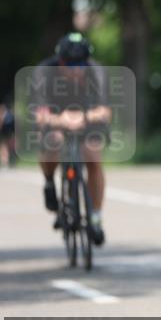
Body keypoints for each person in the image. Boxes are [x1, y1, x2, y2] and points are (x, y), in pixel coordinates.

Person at [34, 32, 110, 245]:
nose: (76, 71)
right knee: (53, 141)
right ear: (60, 62)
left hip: (86, 117)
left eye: (81, 65)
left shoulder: (96, 71)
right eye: (70, 65)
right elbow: (40, 115)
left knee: (93, 155)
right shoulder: (44, 71)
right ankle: (49, 182)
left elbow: (105, 111)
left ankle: (95, 217)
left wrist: (83, 117)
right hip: (55, 115)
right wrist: (61, 119)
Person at [0, 93, 16, 168]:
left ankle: (4, 161)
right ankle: (9, 160)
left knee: (3, 145)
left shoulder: (2, 108)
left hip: (4, 130)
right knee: (9, 145)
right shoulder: (12, 109)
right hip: (10, 130)